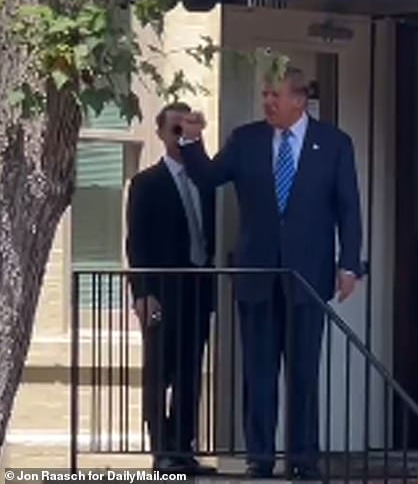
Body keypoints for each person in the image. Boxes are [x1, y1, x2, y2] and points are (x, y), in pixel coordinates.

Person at [178, 67, 363, 479]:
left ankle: (303, 460)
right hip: (257, 274)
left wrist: (350, 264)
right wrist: (191, 142)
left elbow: (349, 207)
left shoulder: (333, 144)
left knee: (303, 374)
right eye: (264, 95)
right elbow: (209, 178)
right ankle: (259, 459)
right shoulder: (247, 139)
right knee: (258, 373)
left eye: (274, 95)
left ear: (299, 100)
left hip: (307, 276)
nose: (267, 103)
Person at [126, 102, 217, 475]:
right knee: (159, 370)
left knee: (189, 373)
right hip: (163, 291)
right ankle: (161, 451)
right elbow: (137, 243)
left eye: (188, 129)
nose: (181, 137)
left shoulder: (206, 180)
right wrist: (142, 294)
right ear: (162, 134)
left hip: (198, 288)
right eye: (175, 130)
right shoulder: (146, 183)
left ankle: (183, 450)